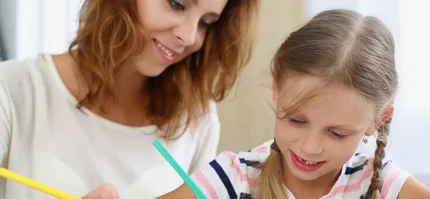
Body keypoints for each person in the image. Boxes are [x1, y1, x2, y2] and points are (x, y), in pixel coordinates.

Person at [87, 9, 430, 199]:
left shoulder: (379, 183)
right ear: (276, 88)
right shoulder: (233, 179)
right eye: (296, 120)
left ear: (379, 119)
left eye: (337, 133)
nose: (310, 147)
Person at [0, 0, 259, 198]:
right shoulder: (12, 90)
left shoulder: (197, 119)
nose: (190, 37)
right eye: (177, 3)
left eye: (206, 23)